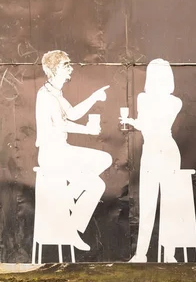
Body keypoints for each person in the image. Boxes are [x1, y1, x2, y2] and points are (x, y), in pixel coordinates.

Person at [35, 50, 112, 251]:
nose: (70, 69)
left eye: (70, 64)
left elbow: (73, 113)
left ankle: (69, 215)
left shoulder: (56, 93)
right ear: (53, 70)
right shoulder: (45, 95)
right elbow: (61, 124)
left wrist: (94, 97)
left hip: (62, 151)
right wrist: (87, 130)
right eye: (65, 65)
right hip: (51, 155)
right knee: (95, 185)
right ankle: (69, 224)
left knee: (103, 163)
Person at [121, 59, 183, 263]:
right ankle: (144, 254)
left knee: (165, 202)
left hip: (162, 149)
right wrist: (132, 122)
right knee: (151, 202)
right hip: (157, 148)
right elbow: (148, 125)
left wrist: (136, 122)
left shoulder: (165, 101)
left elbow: (150, 125)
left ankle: (166, 254)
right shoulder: (161, 100)